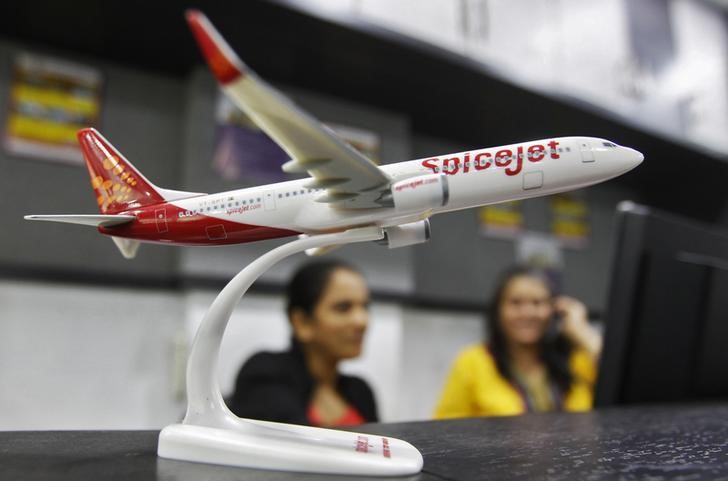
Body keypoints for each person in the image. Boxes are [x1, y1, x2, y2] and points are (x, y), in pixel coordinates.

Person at [434, 266, 602, 418]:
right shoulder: (472, 362)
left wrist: (582, 333)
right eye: (515, 303)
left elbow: (622, 387)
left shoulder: (576, 360)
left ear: (554, 310)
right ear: (498, 311)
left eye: (538, 303)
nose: (528, 312)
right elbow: (444, 432)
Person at [228, 259, 378, 426]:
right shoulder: (265, 373)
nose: (362, 321)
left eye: (365, 307)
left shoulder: (361, 391)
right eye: (343, 308)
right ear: (302, 322)